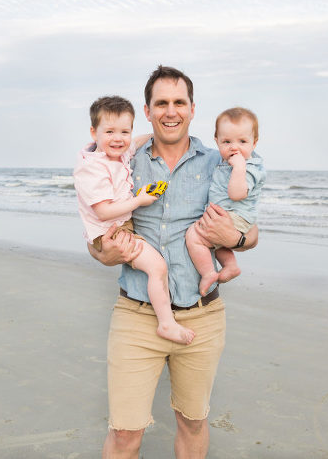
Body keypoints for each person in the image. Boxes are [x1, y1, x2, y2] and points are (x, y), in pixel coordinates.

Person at [88, 66, 258, 458]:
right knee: (125, 433)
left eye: (179, 102)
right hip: (136, 314)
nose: (171, 111)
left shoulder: (220, 161)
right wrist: (103, 253)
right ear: (147, 111)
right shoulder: (123, 160)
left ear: (192, 109)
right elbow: (97, 231)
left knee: (193, 421)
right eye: (161, 103)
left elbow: (251, 231)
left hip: (202, 315)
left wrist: (235, 238)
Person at [74, 96, 196, 345]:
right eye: (109, 132)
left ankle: (165, 319)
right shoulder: (92, 168)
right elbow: (103, 212)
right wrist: (139, 200)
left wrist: (156, 134)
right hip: (110, 230)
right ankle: (166, 323)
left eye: (124, 131)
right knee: (157, 267)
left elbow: (136, 142)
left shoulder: (117, 153)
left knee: (157, 267)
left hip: (120, 225)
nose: (118, 138)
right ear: (94, 132)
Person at [185, 107, 266, 296]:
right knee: (216, 242)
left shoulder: (249, 168)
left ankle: (208, 273)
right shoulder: (221, 161)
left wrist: (239, 168)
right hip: (226, 215)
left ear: (254, 143)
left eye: (242, 141)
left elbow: (237, 194)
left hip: (234, 216)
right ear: (217, 141)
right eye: (227, 142)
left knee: (194, 236)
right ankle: (230, 266)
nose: (234, 147)